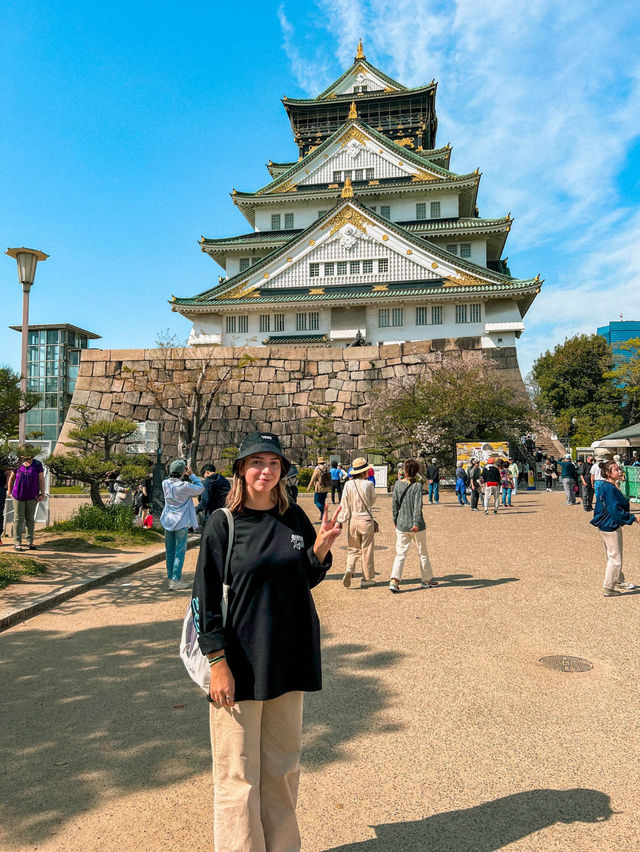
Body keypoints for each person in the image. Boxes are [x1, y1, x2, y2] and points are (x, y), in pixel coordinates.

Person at [192, 431, 341, 851]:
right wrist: (217, 661)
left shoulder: (293, 517)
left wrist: (320, 552)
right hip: (239, 661)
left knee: (281, 769)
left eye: (274, 463)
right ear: (241, 469)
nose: (266, 471)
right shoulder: (224, 523)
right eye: (257, 462)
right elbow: (204, 597)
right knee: (238, 774)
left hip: (289, 657)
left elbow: (303, 581)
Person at [389, 458, 438, 593]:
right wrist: (416, 522)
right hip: (417, 525)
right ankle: (426, 580)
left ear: (404, 470)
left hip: (402, 524)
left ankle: (394, 580)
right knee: (422, 553)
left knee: (400, 553)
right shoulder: (417, 486)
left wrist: (395, 519)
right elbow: (418, 506)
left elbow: (394, 505)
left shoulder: (398, 485)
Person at [590, 459, 637, 596]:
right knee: (615, 557)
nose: (619, 471)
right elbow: (614, 509)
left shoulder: (609, 486)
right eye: (616, 470)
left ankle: (618, 580)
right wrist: (632, 518)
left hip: (607, 524)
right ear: (608, 473)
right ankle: (608, 587)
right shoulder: (608, 488)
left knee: (613, 555)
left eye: (618, 469)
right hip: (609, 525)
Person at [160, 459, 203, 590]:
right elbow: (200, 488)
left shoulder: (165, 483)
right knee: (179, 551)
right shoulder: (184, 486)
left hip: (168, 520)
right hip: (181, 522)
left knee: (170, 551)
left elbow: (171, 478)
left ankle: (171, 577)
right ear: (183, 471)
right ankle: (175, 580)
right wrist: (192, 475)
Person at [338, 456, 377, 589]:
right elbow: (372, 501)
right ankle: (366, 578)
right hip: (365, 518)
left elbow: (344, 503)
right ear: (365, 472)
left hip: (353, 519)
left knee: (353, 548)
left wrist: (341, 520)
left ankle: (350, 568)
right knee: (367, 549)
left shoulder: (348, 485)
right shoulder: (369, 484)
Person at [7, 451, 45, 551]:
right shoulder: (17, 463)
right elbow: (12, 478)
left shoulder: (37, 464)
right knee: (18, 519)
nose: (27, 458)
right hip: (18, 495)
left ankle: (30, 542)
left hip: (33, 496)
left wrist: (43, 493)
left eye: (29, 456)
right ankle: (17, 542)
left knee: (30, 519)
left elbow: (41, 479)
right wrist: (9, 491)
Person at [308, 456, 331, 521]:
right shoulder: (327, 468)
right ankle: (322, 516)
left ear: (318, 463)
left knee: (316, 501)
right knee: (322, 502)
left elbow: (313, 478)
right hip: (326, 487)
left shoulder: (317, 470)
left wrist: (309, 486)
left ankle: (323, 512)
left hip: (319, 488)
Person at [0, 466, 7, 546]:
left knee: (0, 513)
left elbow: (9, 472)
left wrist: (6, 486)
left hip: (1, 487)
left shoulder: (3, 456)